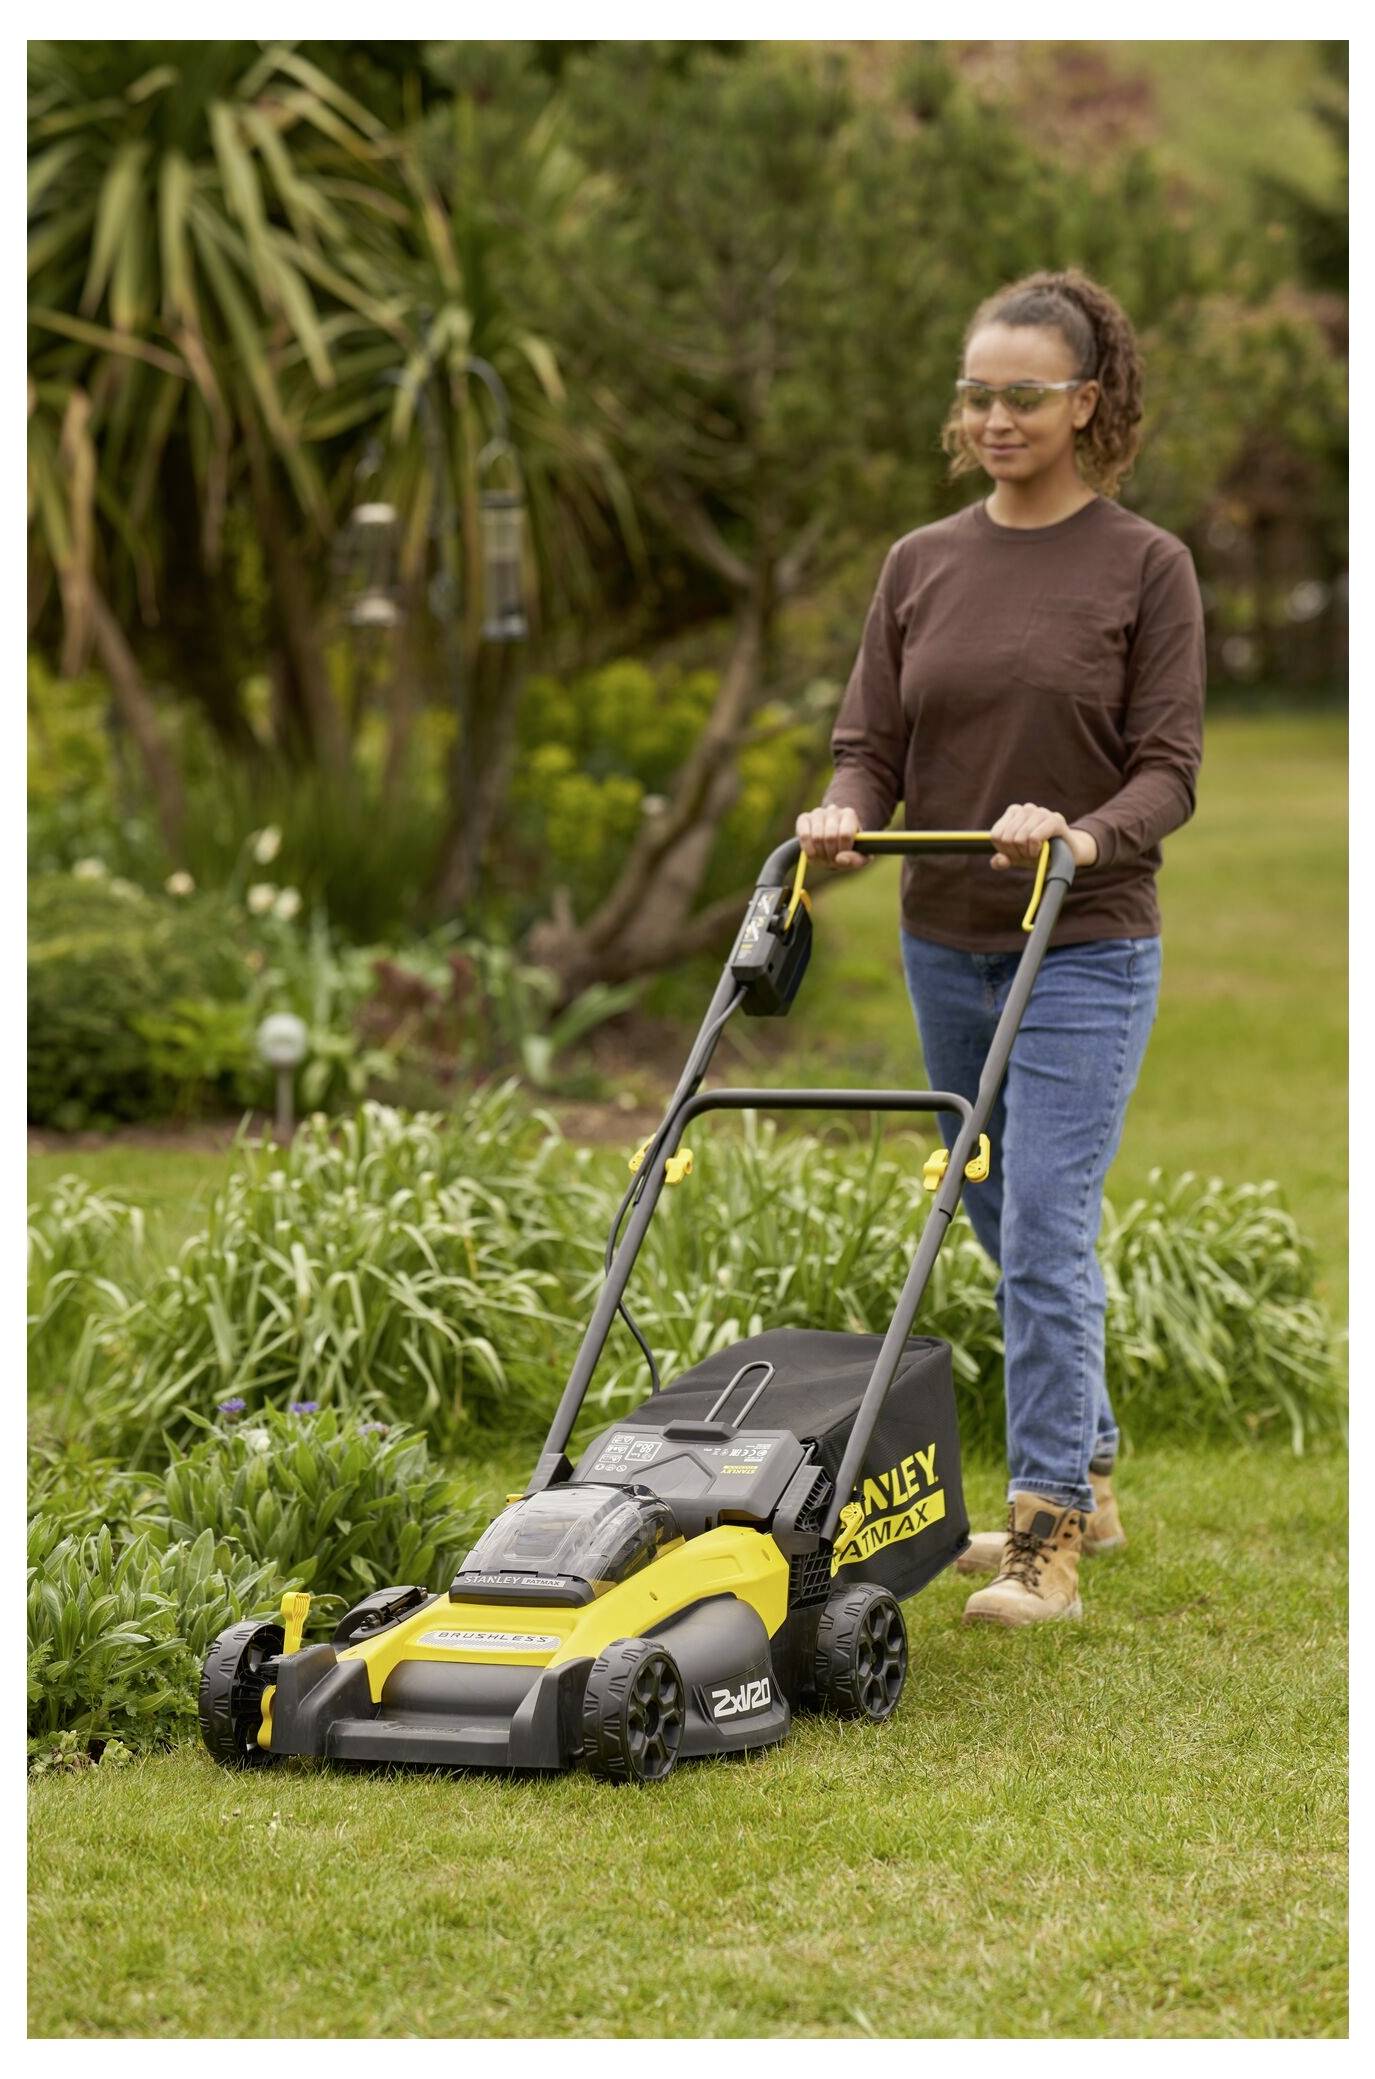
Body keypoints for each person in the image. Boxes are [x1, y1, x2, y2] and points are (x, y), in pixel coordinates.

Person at [797, 267, 1205, 1629]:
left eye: (1025, 395)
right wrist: (846, 814)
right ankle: (1086, 1470)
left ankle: (1042, 1536)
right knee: (990, 1207)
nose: (995, 419)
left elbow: (1168, 773)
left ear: (1086, 403)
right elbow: (872, 745)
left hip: (1084, 943)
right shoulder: (921, 563)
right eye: (978, 396)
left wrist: (1080, 837)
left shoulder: (1147, 565)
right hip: (948, 941)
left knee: (1040, 1226)